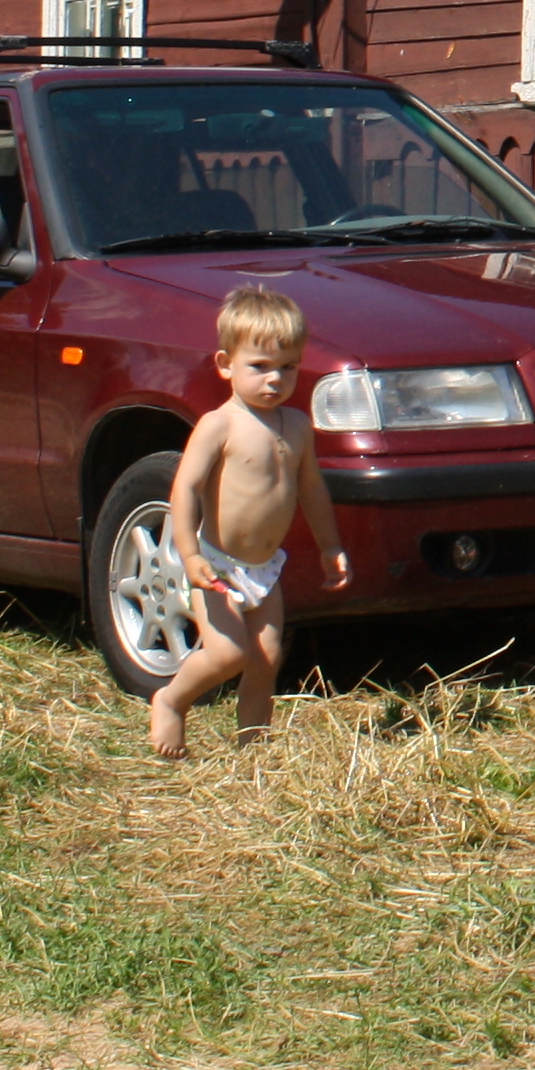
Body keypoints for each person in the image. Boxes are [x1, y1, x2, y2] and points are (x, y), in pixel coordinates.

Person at [146, 285, 350, 759]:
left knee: (265, 658)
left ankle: (252, 750)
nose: (274, 379)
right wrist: (190, 554)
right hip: (216, 563)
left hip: (264, 568)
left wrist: (329, 545)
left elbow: (312, 489)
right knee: (226, 654)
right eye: (259, 366)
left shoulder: (297, 426)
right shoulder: (220, 424)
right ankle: (171, 700)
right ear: (225, 364)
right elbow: (186, 488)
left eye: (288, 367)